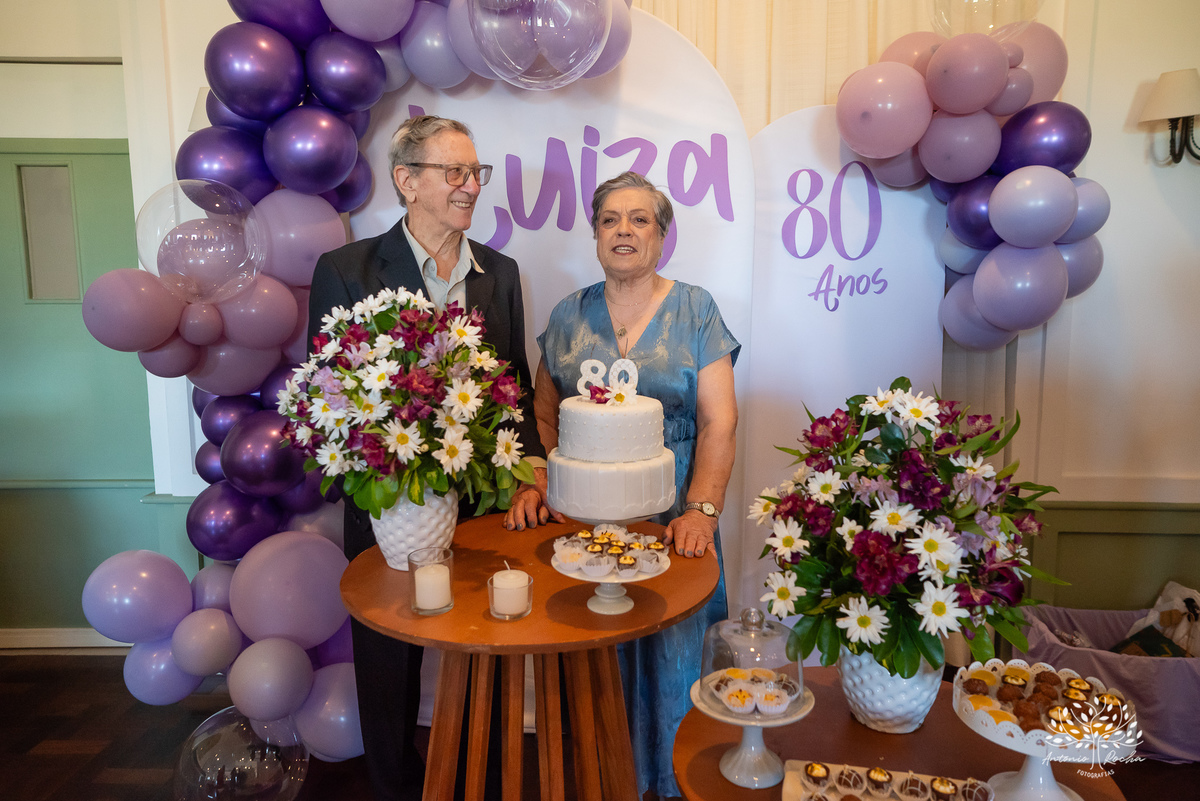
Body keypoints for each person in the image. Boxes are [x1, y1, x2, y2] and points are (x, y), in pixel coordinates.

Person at [308, 115, 548, 801]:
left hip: (483, 506)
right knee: (388, 662)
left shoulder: (498, 272)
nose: (471, 186)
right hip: (391, 502)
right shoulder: (346, 270)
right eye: (455, 172)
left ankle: (482, 780)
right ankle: (393, 786)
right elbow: (331, 392)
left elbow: (515, 386)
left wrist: (528, 469)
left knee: (487, 651)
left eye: (477, 173)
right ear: (407, 181)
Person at [514, 170, 740, 797]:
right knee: (597, 645)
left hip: (676, 513)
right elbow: (543, 412)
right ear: (594, 234)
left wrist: (702, 511)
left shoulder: (696, 308)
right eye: (611, 219)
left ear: (662, 236)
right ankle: (604, 778)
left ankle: (679, 783)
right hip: (587, 511)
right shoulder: (567, 313)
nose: (624, 231)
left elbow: (720, 420)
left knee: (675, 649)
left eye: (640, 219)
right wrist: (549, 482)